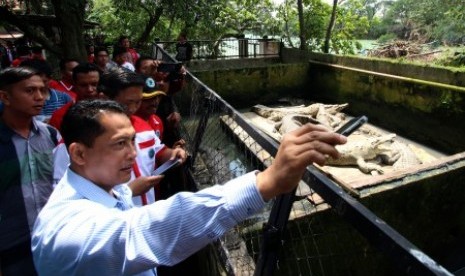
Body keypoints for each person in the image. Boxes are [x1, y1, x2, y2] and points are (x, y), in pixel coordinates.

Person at [31, 99, 347, 275]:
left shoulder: (101, 186)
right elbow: (139, 232)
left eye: (132, 140)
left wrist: (129, 190)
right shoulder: (63, 232)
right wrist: (266, 181)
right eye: (119, 144)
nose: (132, 153)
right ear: (79, 153)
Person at [0, 67, 64, 275]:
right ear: (5, 97)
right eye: (29, 91)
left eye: (42, 90)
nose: (39, 97)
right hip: (10, 246)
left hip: (51, 240)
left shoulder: (52, 136)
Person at [99, 68, 187, 205]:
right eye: (127, 103)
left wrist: (173, 154)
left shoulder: (143, 125)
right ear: (104, 99)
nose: (133, 109)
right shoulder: (88, 137)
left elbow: (158, 151)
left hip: (147, 212)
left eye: (138, 102)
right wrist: (129, 191)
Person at [48, 62, 102, 131]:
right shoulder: (61, 116)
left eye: (94, 84)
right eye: (83, 85)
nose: (90, 90)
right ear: (74, 86)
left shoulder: (114, 111)